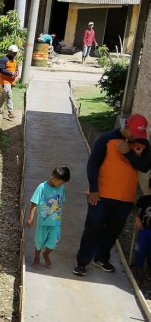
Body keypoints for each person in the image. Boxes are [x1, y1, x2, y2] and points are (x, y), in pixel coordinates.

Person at [73, 114, 151, 276]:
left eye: (140, 134)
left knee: (113, 231)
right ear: (127, 126)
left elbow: (144, 167)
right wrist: (93, 189)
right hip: (101, 195)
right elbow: (92, 165)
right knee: (93, 228)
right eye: (134, 133)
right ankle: (82, 262)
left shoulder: (143, 144)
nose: (136, 137)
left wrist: (129, 153)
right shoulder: (106, 139)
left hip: (125, 198)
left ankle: (101, 258)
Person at [26, 166, 71, 269]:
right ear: (53, 178)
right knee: (39, 242)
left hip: (56, 223)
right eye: (60, 182)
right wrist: (30, 218)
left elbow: (60, 202)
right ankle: (36, 257)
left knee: (53, 243)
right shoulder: (41, 187)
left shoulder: (61, 188)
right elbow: (34, 202)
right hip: (43, 223)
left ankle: (46, 254)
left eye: (63, 183)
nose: (61, 185)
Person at [0, 45, 19, 120]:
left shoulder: (14, 59)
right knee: (8, 94)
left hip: (11, 80)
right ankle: (10, 112)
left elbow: (16, 66)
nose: (15, 54)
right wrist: (10, 73)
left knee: (4, 95)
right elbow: (0, 69)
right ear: (10, 52)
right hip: (5, 81)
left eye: (16, 52)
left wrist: (17, 71)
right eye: (14, 52)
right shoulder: (4, 59)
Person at [132, 191, 151, 281]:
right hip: (144, 229)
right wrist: (137, 218)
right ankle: (139, 269)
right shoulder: (144, 199)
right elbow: (135, 208)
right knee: (140, 250)